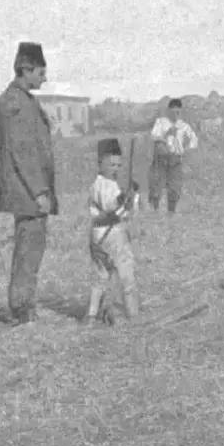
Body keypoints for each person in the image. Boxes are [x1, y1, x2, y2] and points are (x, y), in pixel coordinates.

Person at [0, 42, 58, 325]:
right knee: (29, 247)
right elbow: (23, 152)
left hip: (29, 190)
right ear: (26, 69)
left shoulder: (22, 99)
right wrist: (39, 190)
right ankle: (22, 310)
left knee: (32, 246)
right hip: (28, 191)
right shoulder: (14, 101)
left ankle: (24, 307)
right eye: (41, 72)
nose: (45, 78)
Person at [85, 138, 140, 325]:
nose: (115, 169)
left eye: (118, 165)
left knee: (100, 277)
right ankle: (133, 316)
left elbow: (125, 212)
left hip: (100, 238)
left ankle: (91, 315)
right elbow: (112, 206)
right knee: (127, 275)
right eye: (111, 164)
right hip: (111, 237)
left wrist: (133, 198)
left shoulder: (110, 185)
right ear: (100, 163)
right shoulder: (101, 185)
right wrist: (125, 198)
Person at [148, 98, 198, 213]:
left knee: (174, 187)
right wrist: (166, 134)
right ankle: (153, 212)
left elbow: (194, 139)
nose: (175, 115)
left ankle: (171, 213)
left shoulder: (183, 125)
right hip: (161, 158)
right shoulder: (160, 122)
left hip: (175, 159)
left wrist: (186, 149)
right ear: (168, 111)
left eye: (178, 112)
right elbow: (154, 136)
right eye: (173, 112)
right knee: (156, 186)